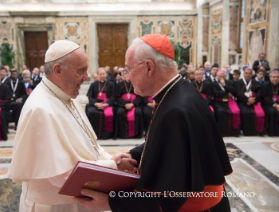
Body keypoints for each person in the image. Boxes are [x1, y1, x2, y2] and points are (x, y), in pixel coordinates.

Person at [73, 34, 232, 212]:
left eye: (129, 69)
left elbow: (169, 198)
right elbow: (171, 143)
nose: (127, 78)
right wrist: (134, 154)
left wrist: (111, 202)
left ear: (149, 67)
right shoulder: (180, 91)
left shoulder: (175, 110)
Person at [8, 40, 136, 212]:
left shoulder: (66, 96)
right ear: (58, 70)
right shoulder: (40, 109)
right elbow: (64, 175)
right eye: (81, 71)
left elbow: (88, 144)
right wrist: (113, 166)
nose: (86, 77)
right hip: (54, 207)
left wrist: (110, 158)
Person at [233, 68, 265, 135]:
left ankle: (255, 131)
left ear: (252, 74)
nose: (248, 75)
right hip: (242, 102)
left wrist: (254, 99)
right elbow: (238, 93)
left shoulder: (256, 83)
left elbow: (259, 93)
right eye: (246, 73)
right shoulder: (238, 82)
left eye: (249, 73)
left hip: (254, 101)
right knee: (246, 113)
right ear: (244, 74)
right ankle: (247, 132)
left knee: (259, 113)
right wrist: (247, 100)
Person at [86, 67, 115, 139]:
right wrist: (96, 104)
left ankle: (107, 135)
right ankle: (93, 134)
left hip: (107, 105)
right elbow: (90, 97)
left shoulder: (111, 84)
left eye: (103, 74)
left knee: (111, 114)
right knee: (91, 113)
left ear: (106, 74)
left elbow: (113, 97)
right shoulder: (93, 84)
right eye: (100, 74)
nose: (102, 75)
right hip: (96, 105)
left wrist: (106, 104)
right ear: (98, 75)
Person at [114, 69, 143, 139]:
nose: (127, 75)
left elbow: (140, 96)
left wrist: (133, 104)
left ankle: (136, 134)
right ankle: (123, 134)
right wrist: (124, 104)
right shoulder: (119, 85)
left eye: (128, 73)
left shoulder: (136, 83)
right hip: (123, 105)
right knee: (119, 113)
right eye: (125, 74)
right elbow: (117, 97)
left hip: (134, 104)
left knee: (138, 112)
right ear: (123, 75)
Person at [212, 70, 240, 136]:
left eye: (223, 76)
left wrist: (224, 85)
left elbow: (233, 91)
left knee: (236, 111)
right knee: (221, 112)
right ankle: (223, 132)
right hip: (219, 102)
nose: (222, 78)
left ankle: (234, 132)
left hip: (229, 101)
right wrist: (227, 93)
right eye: (220, 76)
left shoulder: (229, 82)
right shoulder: (214, 83)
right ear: (217, 76)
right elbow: (216, 93)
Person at [261, 70, 279, 136]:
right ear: (270, 78)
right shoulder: (265, 85)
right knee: (272, 112)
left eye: (277, 77)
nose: (275, 79)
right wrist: (275, 105)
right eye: (273, 77)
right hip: (268, 105)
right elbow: (264, 98)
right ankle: (272, 132)